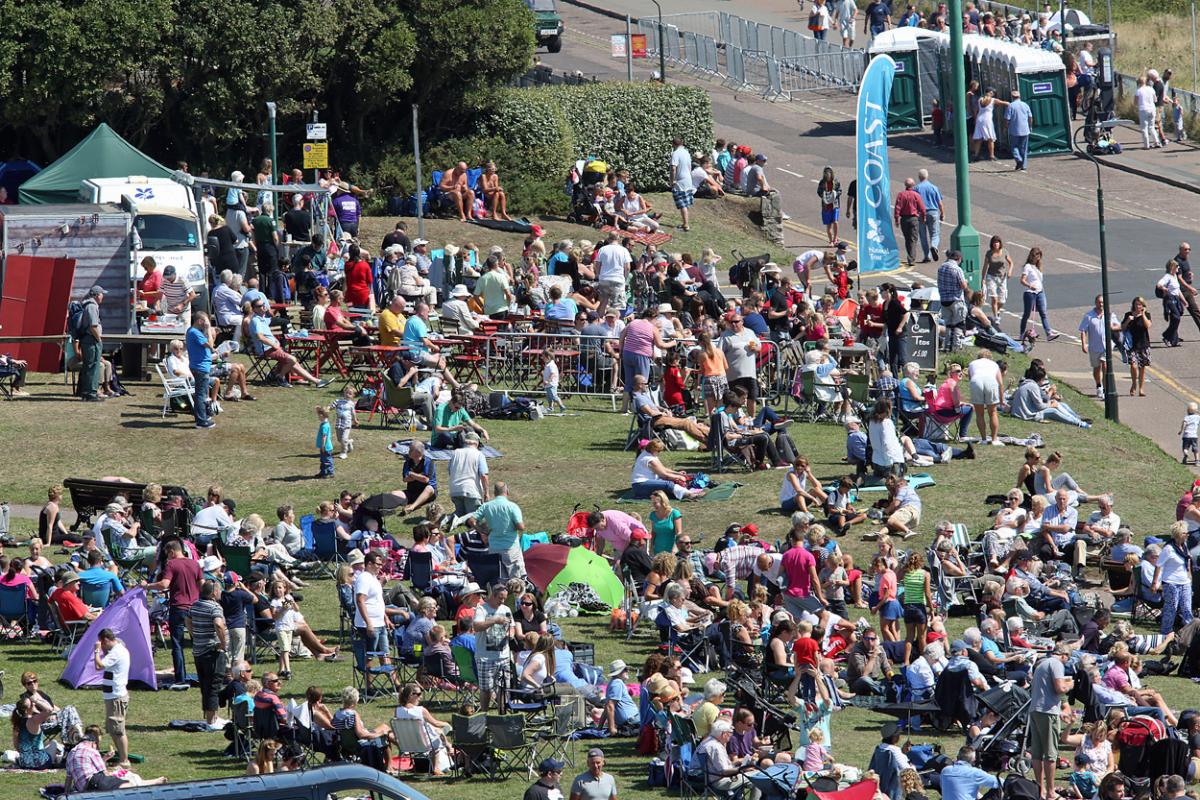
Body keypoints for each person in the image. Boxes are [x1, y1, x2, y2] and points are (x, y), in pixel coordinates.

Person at [144, 539, 202, 690]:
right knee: (199, 643)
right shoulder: (195, 564)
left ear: (171, 552)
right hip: (195, 608)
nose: (167, 558)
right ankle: (203, 675)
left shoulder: (172, 564)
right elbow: (202, 584)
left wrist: (147, 586)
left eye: (167, 555)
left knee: (177, 644)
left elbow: (164, 584)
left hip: (178, 607)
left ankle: (180, 678)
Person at [247, 297, 329, 388]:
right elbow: (260, 337)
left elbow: (273, 320)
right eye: (260, 306)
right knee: (292, 360)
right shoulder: (256, 321)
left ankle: (316, 381)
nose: (263, 307)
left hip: (273, 348)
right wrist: (274, 344)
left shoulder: (262, 318)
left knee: (294, 362)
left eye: (263, 304)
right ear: (254, 309)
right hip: (267, 349)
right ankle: (279, 377)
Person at [1030, 643, 1074, 800]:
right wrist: (1070, 684)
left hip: (1035, 709)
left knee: (1037, 752)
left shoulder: (1042, 664)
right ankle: (1049, 792)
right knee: (1050, 753)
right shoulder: (1056, 664)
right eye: (1067, 659)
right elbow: (1060, 688)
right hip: (1048, 711)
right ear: (1063, 655)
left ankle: (1040, 790)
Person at [67, 725, 165, 791]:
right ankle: (155, 783)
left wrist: (65, 794)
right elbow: (104, 773)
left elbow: (68, 779)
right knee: (128, 785)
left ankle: (155, 782)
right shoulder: (91, 751)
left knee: (125, 782)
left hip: (82, 788)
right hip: (94, 783)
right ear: (93, 743)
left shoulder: (71, 754)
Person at [190, 579, 228, 730]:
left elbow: (187, 618)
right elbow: (218, 624)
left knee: (205, 685)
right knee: (214, 684)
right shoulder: (215, 607)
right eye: (219, 590)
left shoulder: (195, 604)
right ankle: (212, 721)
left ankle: (211, 716)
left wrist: (195, 634)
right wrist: (223, 644)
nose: (220, 593)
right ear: (213, 593)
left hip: (199, 650)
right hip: (212, 651)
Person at [474, 582, 516, 712]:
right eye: (500, 598)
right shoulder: (481, 609)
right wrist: (494, 620)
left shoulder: (506, 610)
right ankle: (484, 715)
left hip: (503, 656)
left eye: (504, 598)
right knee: (486, 689)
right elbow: (476, 626)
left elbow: (512, 626)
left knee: (503, 687)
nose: (502, 601)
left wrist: (511, 634)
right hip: (485, 657)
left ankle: (502, 714)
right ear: (493, 595)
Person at [474, 483, 527, 581]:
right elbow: (520, 526)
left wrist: (482, 531)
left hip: (494, 548)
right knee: (516, 581)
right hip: (511, 549)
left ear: (494, 493)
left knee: (499, 579)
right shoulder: (512, 507)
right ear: (507, 492)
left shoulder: (486, 506)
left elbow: (471, 520)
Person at [631, 440, 704, 501]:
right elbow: (664, 475)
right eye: (659, 451)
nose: (660, 452)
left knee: (669, 485)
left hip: (643, 484)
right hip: (640, 485)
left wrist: (678, 474)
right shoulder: (649, 459)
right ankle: (689, 495)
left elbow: (663, 469)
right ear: (654, 450)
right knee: (668, 484)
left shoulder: (648, 454)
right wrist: (678, 477)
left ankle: (687, 492)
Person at [1078, 294, 1120, 400]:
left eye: (1102, 302)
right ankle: (1098, 385)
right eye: (1099, 302)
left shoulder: (1110, 315)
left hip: (1106, 346)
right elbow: (1083, 330)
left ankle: (1106, 390)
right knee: (1096, 368)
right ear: (1095, 303)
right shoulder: (1089, 316)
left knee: (1105, 365)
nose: (1101, 304)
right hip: (1094, 347)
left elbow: (1118, 326)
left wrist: (1112, 326)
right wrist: (1083, 344)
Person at [448, 432, 490, 516]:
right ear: (477, 443)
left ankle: (448, 519)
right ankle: (457, 522)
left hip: (455, 491)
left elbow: (450, 471)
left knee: (459, 513)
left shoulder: (455, 453)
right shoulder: (479, 455)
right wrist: (486, 493)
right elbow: (484, 476)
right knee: (475, 515)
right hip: (471, 491)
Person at [76, 285, 105, 402]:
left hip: (88, 339)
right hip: (91, 340)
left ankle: (85, 391)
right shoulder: (92, 307)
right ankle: (91, 393)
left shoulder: (87, 305)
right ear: (97, 295)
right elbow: (93, 326)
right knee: (93, 366)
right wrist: (98, 339)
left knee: (89, 366)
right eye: (102, 294)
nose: (103, 296)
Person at [968, 350, 1003, 445]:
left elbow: (971, 378)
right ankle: (994, 439)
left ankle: (983, 439)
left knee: (979, 414)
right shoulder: (994, 364)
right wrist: (1001, 400)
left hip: (976, 381)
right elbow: (1000, 383)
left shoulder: (972, 364)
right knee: (992, 412)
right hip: (991, 381)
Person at [1121, 296, 1152, 396]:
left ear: (1143, 306)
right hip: (1131, 345)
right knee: (1134, 366)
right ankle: (1134, 384)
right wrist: (1128, 320)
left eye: (1140, 304)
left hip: (1143, 344)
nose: (1138, 306)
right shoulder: (1128, 315)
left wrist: (1142, 314)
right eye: (1136, 304)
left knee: (1142, 367)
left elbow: (1148, 325)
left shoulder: (1146, 315)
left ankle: (1141, 389)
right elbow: (1122, 327)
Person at [893, 178, 927, 266]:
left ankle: (910, 256)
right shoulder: (916, 195)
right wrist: (924, 217)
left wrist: (896, 219)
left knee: (907, 238)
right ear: (913, 185)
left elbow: (897, 208)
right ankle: (911, 258)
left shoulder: (901, 195)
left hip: (904, 219)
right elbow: (922, 208)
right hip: (914, 219)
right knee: (913, 239)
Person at [401, 440, 437, 514]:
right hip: (412, 491)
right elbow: (405, 479)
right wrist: (419, 476)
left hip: (427, 492)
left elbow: (426, 480)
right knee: (395, 493)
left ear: (418, 452)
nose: (409, 452)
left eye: (411, 450)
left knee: (429, 488)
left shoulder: (429, 462)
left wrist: (411, 474)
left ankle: (412, 507)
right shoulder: (407, 462)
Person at [914, 169, 942, 263]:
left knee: (923, 236)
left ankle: (927, 256)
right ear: (927, 176)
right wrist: (942, 213)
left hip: (920, 213)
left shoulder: (916, 188)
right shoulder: (934, 187)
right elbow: (939, 203)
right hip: (933, 212)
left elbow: (914, 203)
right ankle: (934, 246)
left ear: (919, 177)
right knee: (935, 234)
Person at [1158, 259, 1184, 347]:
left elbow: (1178, 290)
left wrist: (1184, 301)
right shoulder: (1167, 277)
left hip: (1176, 299)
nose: (1178, 268)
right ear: (1172, 267)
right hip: (1169, 299)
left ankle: (1174, 340)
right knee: (1176, 318)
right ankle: (1166, 335)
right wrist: (1164, 288)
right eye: (1177, 266)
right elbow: (1159, 284)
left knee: (1175, 319)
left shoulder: (1174, 276)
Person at [1006, 90, 1034, 171]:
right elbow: (1030, 117)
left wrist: (1006, 127)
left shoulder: (1010, 106)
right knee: (1023, 148)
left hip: (1014, 130)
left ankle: (1019, 159)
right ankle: (1024, 165)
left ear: (1012, 97)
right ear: (1019, 96)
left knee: (1014, 146)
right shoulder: (1025, 105)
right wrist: (1030, 126)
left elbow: (1007, 119)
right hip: (1025, 129)